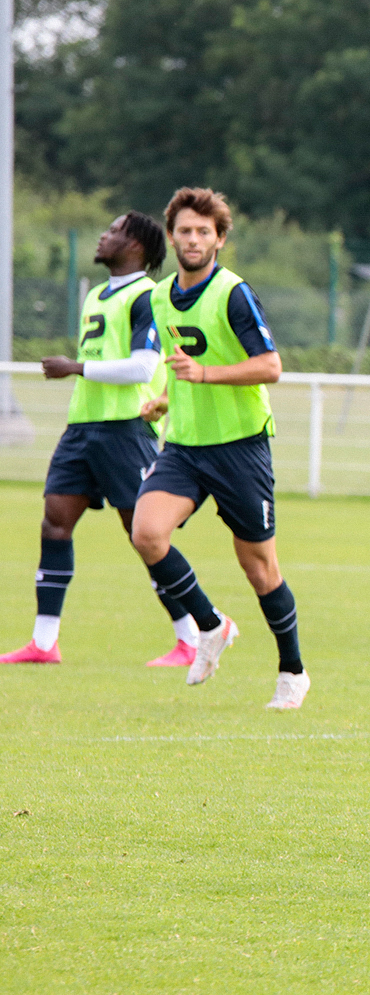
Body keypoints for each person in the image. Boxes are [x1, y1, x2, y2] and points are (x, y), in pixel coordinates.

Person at [129, 187, 309, 710]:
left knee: (259, 568)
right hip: (185, 446)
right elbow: (183, 362)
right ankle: (211, 625)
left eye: (203, 231)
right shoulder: (159, 296)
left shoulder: (234, 293)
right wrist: (166, 398)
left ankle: (292, 671)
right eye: (184, 230)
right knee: (147, 532)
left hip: (240, 448)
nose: (192, 239)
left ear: (220, 239)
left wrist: (205, 375)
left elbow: (270, 367)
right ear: (171, 236)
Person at [1, 212, 202, 667]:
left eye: (113, 231)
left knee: (144, 534)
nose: (103, 236)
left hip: (125, 429)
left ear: (136, 246)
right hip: (83, 427)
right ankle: (44, 642)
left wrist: (75, 367)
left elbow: (143, 366)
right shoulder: (96, 293)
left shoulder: (147, 296)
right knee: (54, 523)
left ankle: (191, 636)